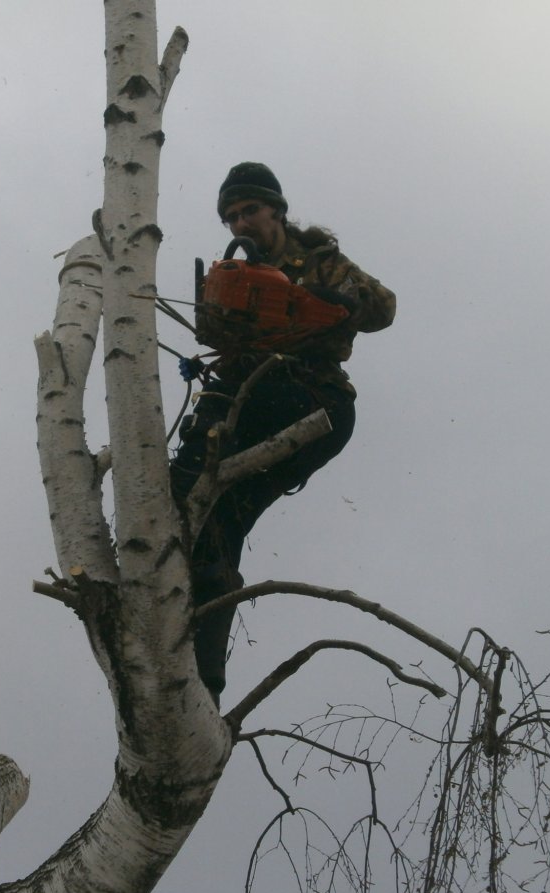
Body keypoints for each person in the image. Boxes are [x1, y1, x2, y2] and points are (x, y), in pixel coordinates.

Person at [170, 162, 396, 704]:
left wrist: (340, 303)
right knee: (214, 520)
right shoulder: (229, 274)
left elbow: (383, 307)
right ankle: (204, 681)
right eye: (230, 217)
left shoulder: (318, 260)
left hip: (313, 400)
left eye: (249, 211)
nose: (240, 223)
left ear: (275, 209)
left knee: (219, 423)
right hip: (252, 399)